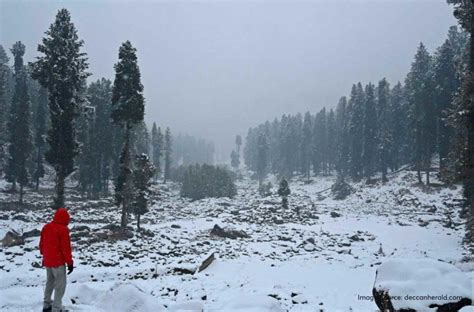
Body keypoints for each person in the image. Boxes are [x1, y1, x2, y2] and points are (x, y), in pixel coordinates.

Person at [39, 208, 74, 312]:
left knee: (50, 282)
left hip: (48, 261)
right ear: (65, 218)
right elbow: (66, 248)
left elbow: (41, 244)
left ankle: (46, 305)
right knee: (60, 286)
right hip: (58, 262)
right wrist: (70, 263)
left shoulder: (46, 227)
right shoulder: (63, 230)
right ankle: (56, 308)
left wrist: (46, 254)